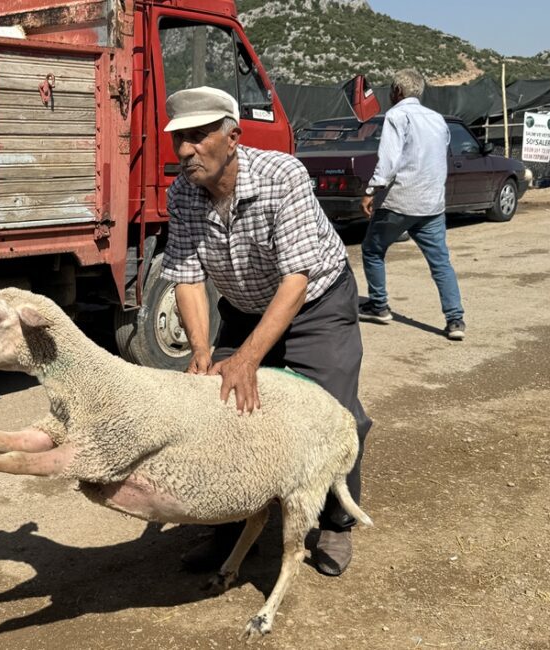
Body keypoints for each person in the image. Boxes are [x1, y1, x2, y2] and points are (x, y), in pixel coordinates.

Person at [160, 86, 372, 577]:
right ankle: (230, 530)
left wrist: (248, 358)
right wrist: (200, 349)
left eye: (197, 137)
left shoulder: (283, 176)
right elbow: (188, 275)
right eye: (179, 140)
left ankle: (336, 524)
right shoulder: (183, 193)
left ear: (233, 137)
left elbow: (296, 281)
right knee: (222, 415)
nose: (186, 150)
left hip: (316, 303)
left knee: (337, 414)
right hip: (245, 306)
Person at [358, 68, 466, 341]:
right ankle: (455, 321)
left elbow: (389, 160)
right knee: (441, 263)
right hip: (432, 204)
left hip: (400, 201)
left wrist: (371, 190)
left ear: (397, 92)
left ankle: (379, 305)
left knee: (372, 249)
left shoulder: (397, 116)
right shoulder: (437, 119)